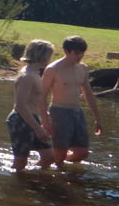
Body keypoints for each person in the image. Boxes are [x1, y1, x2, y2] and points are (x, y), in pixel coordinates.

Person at [41, 35, 104, 168]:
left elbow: (88, 94)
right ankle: (53, 168)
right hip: (58, 111)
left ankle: (52, 162)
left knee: (82, 153)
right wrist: (45, 121)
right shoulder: (53, 69)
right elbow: (41, 97)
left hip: (77, 112)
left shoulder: (83, 68)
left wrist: (97, 119)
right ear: (66, 51)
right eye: (76, 53)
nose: (80, 56)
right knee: (60, 153)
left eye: (82, 52)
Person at [7, 39, 55, 170]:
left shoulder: (35, 72)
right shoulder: (27, 76)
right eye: (49, 55)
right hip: (20, 120)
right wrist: (37, 128)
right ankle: (17, 179)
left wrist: (45, 116)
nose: (50, 59)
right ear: (42, 56)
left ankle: (35, 177)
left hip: (32, 118)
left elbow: (36, 99)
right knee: (20, 162)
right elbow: (20, 105)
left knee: (49, 157)